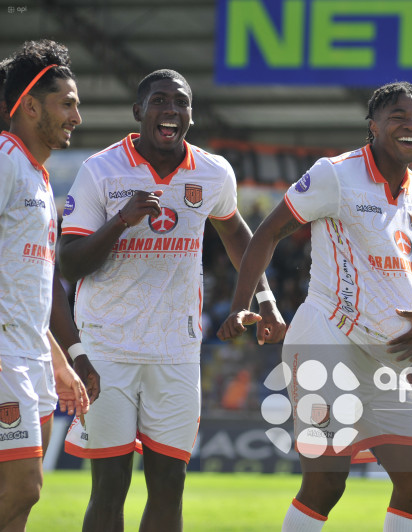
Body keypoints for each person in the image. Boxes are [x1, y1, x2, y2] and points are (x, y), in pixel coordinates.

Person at [218, 81, 412, 532]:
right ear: (373, 125)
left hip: (384, 360)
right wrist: (246, 304)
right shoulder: (335, 175)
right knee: (326, 483)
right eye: (399, 116)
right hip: (326, 342)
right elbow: (266, 233)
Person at [57, 69, 275, 532]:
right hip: (106, 350)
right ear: (139, 112)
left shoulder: (213, 173)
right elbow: (70, 264)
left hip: (176, 352)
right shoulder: (101, 169)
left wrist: (265, 296)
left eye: (181, 103)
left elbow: (240, 236)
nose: (170, 111)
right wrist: (121, 220)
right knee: (110, 486)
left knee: (169, 484)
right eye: (159, 101)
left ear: (190, 116)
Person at [0, 39, 98, 531]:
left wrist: (57, 360)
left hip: (30, 355)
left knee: (20, 500)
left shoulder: (39, 180)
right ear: (31, 106)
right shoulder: (4, 160)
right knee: (20, 488)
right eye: (68, 103)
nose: (76, 116)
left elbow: (30, 289)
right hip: (3, 355)